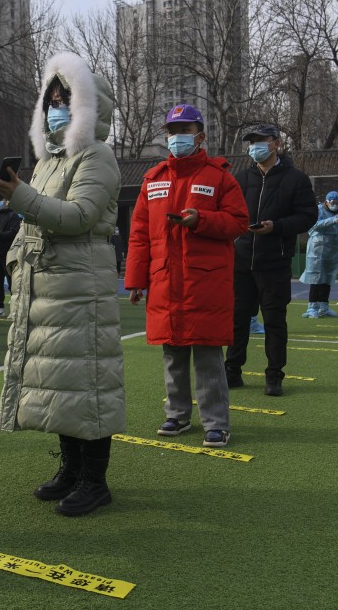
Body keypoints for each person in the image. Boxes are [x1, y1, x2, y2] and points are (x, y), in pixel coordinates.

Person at [0, 51, 124, 517]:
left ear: (89, 107)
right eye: (49, 101)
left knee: (87, 380)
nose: (55, 109)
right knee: (60, 383)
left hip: (79, 284)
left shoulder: (97, 156)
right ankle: (70, 469)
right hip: (46, 284)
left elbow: (80, 216)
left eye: (65, 100)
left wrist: (19, 195)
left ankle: (95, 480)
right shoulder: (48, 162)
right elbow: (33, 223)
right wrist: (13, 262)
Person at [125, 103, 248, 448]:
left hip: (205, 282)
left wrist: (202, 221)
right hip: (166, 281)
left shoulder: (220, 176)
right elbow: (140, 233)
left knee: (208, 356)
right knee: (173, 353)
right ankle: (177, 415)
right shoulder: (153, 180)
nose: (178, 137)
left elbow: (239, 221)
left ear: (201, 135)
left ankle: (216, 422)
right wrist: (136, 279)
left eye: (185, 130)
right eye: (172, 131)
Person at [224, 124, 317, 396]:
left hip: (274, 261)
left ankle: (274, 374)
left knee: (275, 320)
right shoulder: (240, 178)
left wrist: (275, 226)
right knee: (237, 318)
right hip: (241, 260)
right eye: (251, 142)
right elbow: (229, 213)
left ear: (275, 143)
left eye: (260, 141)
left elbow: (308, 215)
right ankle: (232, 370)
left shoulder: (296, 179)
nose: (254, 146)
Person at [300, 191, 338, 318]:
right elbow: (314, 226)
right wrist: (332, 220)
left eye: (337, 203)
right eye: (333, 203)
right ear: (326, 201)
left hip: (333, 250)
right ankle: (312, 307)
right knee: (316, 278)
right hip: (317, 249)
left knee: (328, 278)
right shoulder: (318, 210)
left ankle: (324, 306)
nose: (335, 205)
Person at [0, 197, 21, 318]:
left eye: (0, 200)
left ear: (7, 201)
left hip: (9, 254)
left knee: (12, 283)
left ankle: (15, 309)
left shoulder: (14, 216)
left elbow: (13, 233)